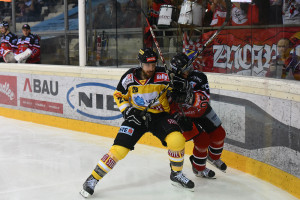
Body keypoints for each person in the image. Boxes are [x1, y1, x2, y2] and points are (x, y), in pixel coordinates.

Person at [80, 48, 194, 198]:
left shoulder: (164, 75)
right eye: (147, 65)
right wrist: (127, 111)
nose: (151, 69)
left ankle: (176, 173)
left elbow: (182, 89)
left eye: (153, 65)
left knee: (177, 140)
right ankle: (92, 179)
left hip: (159, 116)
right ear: (140, 64)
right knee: (119, 150)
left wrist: (181, 89)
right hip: (136, 117)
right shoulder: (129, 77)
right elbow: (119, 94)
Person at [168, 52, 227, 178]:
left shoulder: (200, 77)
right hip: (184, 115)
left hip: (201, 111)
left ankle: (213, 157)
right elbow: (166, 105)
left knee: (220, 134)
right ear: (176, 70)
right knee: (203, 141)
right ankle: (199, 168)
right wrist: (171, 95)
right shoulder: (168, 81)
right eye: (185, 69)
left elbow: (204, 101)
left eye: (190, 67)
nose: (189, 71)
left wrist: (188, 96)